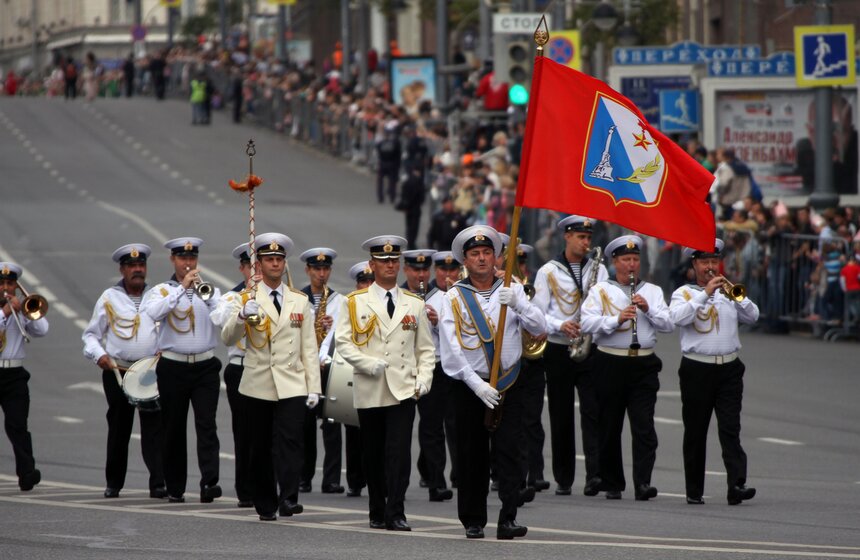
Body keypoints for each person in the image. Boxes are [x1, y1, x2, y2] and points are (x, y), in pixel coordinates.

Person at [438, 226, 547, 540]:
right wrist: (477, 385)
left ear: (496, 256)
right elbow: (451, 349)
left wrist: (519, 303)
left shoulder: (512, 289)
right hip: (471, 386)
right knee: (471, 454)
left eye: (487, 253)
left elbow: (540, 328)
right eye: (475, 254)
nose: (482, 258)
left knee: (511, 452)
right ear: (465, 261)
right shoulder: (455, 297)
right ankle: (473, 519)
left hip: (509, 383)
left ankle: (508, 517)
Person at [334, 235, 435, 531]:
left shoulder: (414, 303)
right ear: (371, 265)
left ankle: (396, 512)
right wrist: (367, 364)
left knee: (400, 453)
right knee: (374, 453)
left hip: (403, 387)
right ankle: (377, 509)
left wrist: (424, 379)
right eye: (383, 261)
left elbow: (425, 349)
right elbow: (343, 342)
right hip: (370, 386)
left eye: (394, 261)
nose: (390, 265)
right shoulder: (354, 302)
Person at [220, 233, 322, 521]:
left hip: (291, 381)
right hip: (259, 381)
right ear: (259, 265)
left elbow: (309, 348)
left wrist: (313, 387)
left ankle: (288, 497)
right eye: (269, 259)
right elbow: (227, 338)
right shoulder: (247, 298)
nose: (275, 264)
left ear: (284, 263)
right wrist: (241, 316)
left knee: (291, 442)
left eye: (279, 259)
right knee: (260, 445)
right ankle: (265, 502)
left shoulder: (299, 301)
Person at [581, 235, 674, 501]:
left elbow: (668, 325)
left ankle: (643, 482)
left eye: (635, 259)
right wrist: (616, 320)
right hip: (609, 361)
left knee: (644, 425)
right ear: (615, 262)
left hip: (643, 363)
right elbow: (587, 323)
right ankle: (613, 482)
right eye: (626, 260)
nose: (631, 265)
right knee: (609, 425)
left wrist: (649, 311)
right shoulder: (601, 290)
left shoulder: (653, 291)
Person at [669, 239, 759, 506]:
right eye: (705, 262)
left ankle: (737, 485)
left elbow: (753, 315)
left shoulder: (729, 292)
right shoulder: (683, 293)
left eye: (714, 261)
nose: (710, 267)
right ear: (694, 264)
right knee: (696, 431)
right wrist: (704, 293)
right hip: (697, 368)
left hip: (729, 368)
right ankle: (694, 490)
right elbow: (678, 319)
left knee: (730, 429)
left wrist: (736, 295)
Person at [140, 237, 222, 504]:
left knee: (206, 425)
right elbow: (152, 313)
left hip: (205, 366)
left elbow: (222, 317)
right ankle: (175, 486)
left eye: (192, 259)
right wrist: (181, 289)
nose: (188, 264)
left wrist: (204, 296)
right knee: (173, 427)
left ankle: (210, 483)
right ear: (173, 260)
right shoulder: (161, 291)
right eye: (183, 259)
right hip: (173, 366)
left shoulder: (210, 290)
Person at [82, 244, 165, 499]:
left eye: (141, 266)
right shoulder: (109, 297)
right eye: (132, 266)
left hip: (149, 371)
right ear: (122, 269)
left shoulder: (158, 295)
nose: (137, 270)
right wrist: (101, 356)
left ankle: (158, 483)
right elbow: (91, 335)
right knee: (119, 427)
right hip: (118, 370)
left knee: (154, 428)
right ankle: (114, 482)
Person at [531, 216, 607, 497]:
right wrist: (559, 324)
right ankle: (564, 477)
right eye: (581, 237)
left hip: (588, 346)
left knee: (592, 411)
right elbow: (538, 312)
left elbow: (605, 303)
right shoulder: (548, 271)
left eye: (588, 238)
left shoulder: (598, 270)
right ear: (567, 236)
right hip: (559, 346)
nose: (586, 243)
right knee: (560, 413)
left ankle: (594, 475)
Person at [399, 249, 454, 502]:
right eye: (414, 269)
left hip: (434, 366)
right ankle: (396, 482)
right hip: (401, 368)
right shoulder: (396, 297)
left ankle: (436, 481)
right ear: (405, 270)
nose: (420, 275)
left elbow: (456, 336)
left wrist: (437, 323)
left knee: (433, 427)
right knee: (400, 428)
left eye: (424, 270)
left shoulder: (443, 298)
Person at [209, 243, 254, 508]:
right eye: (251, 266)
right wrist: (246, 302)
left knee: (272, 432)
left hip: (270, 367)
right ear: (242, 268)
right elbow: (219, 318)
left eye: (259, 265)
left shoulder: (277, 296)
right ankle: (245, 490)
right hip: (241, 366)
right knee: (245, 431)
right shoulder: (232, 297)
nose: (255, 271)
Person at [298, 247, 346, 495]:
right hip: (306, 369)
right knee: (304, 425)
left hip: (330, 369)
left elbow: (344, 335)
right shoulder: (298, 298)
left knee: (332, 424)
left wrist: (330, 329)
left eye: (325, 269)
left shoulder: (339, 301)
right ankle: (303, 477)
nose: (322, 274)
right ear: (308, 270)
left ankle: (331, 479)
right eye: (317, 269)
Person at [0, 262, 47, 492]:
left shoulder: (20, 309)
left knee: (18, 425)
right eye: (2, 284)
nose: (6, 289)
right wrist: (5, 312)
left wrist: (25, 313)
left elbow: (42, 330)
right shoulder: (5, 311)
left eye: (10, 284)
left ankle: (27, 473)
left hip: (14, 375)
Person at [513, 242, 551, 494]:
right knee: (512, 423)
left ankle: (535, 474)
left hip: (533, 362)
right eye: (517, 264)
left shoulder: (533, 289)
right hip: (512, 363)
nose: (522, 268)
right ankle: (511, 474)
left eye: (524, 263)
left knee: (533, 421)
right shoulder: (504, 288)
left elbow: (543, 318)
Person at [397, 165, 426, 250]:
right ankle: (412, 243)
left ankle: (409, 242)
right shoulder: (419, 181)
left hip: (408, 208)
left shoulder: (407, 180)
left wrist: (405, 205)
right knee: (414, 227)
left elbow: (403, 193)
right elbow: (421, 196)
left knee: (409, 226)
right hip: (416, 208)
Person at [376, 123, 401, 204]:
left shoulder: (380, 143)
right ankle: (392, 197)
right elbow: (398, 154)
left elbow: (379, 153)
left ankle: (380, 197)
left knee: (380, 181)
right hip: (392, 163)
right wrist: (397, 164)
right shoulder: (395, 143)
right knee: (392, 181)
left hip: (383, 163)